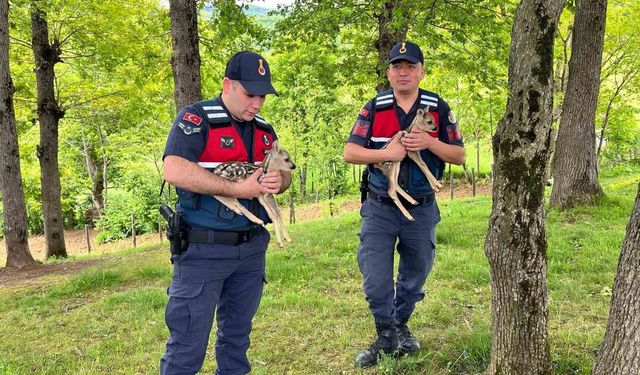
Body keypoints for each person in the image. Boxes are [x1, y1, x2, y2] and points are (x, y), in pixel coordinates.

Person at [160, 51, 291, 375]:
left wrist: (280, 179)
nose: (258, 103)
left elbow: (283, 173)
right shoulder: (197, 119)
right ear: (228, 85)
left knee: (236, 340)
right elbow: (173, 170)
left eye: (262, 95)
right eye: (250, 94)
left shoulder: (264, 129)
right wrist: (236, 189)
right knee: (187, 347)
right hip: (204, 251)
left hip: (251, 250)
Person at [343, 41, 465, 367]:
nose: (403, 72)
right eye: (397, 66)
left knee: (415, 274)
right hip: (380, 206)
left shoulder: (437, 108)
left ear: (421, 72)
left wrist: (430, 142)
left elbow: (459, 155)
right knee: (375, 277)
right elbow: (351, 153)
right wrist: (386, 153)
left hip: (421, 208)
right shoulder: (374, 107)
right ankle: (385, 336)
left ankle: (400, 325)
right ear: (389, 73)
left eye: (410, 66)